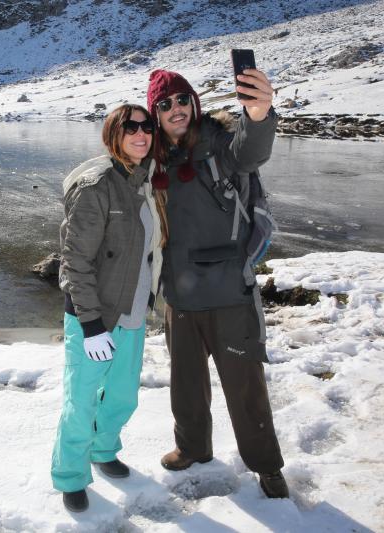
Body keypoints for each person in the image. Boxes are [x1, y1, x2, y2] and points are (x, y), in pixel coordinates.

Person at [145, 68, 289, 498]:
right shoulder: (152, 158)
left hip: (229, 292)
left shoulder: (220, 145)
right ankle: (192, 448)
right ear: (155, 113)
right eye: (166, 104)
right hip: (179, 296)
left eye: (183, 100)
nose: (177, 109)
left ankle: (266, 466)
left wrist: (260, 113)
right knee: (186, 384)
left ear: (195, 103)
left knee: (245, 387)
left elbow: (252, 150)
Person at [51, 104, 168, 513]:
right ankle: (70, 474)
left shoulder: (148, 180)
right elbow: (74, 262)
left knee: (121, 396)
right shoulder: (96, 184)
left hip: (133, 313)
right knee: (81, 401)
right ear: (112, 135)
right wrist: (90, 325)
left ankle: (103, 451)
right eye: (130, 127)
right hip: (95, 317)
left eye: (147, 127)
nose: (141, 134)